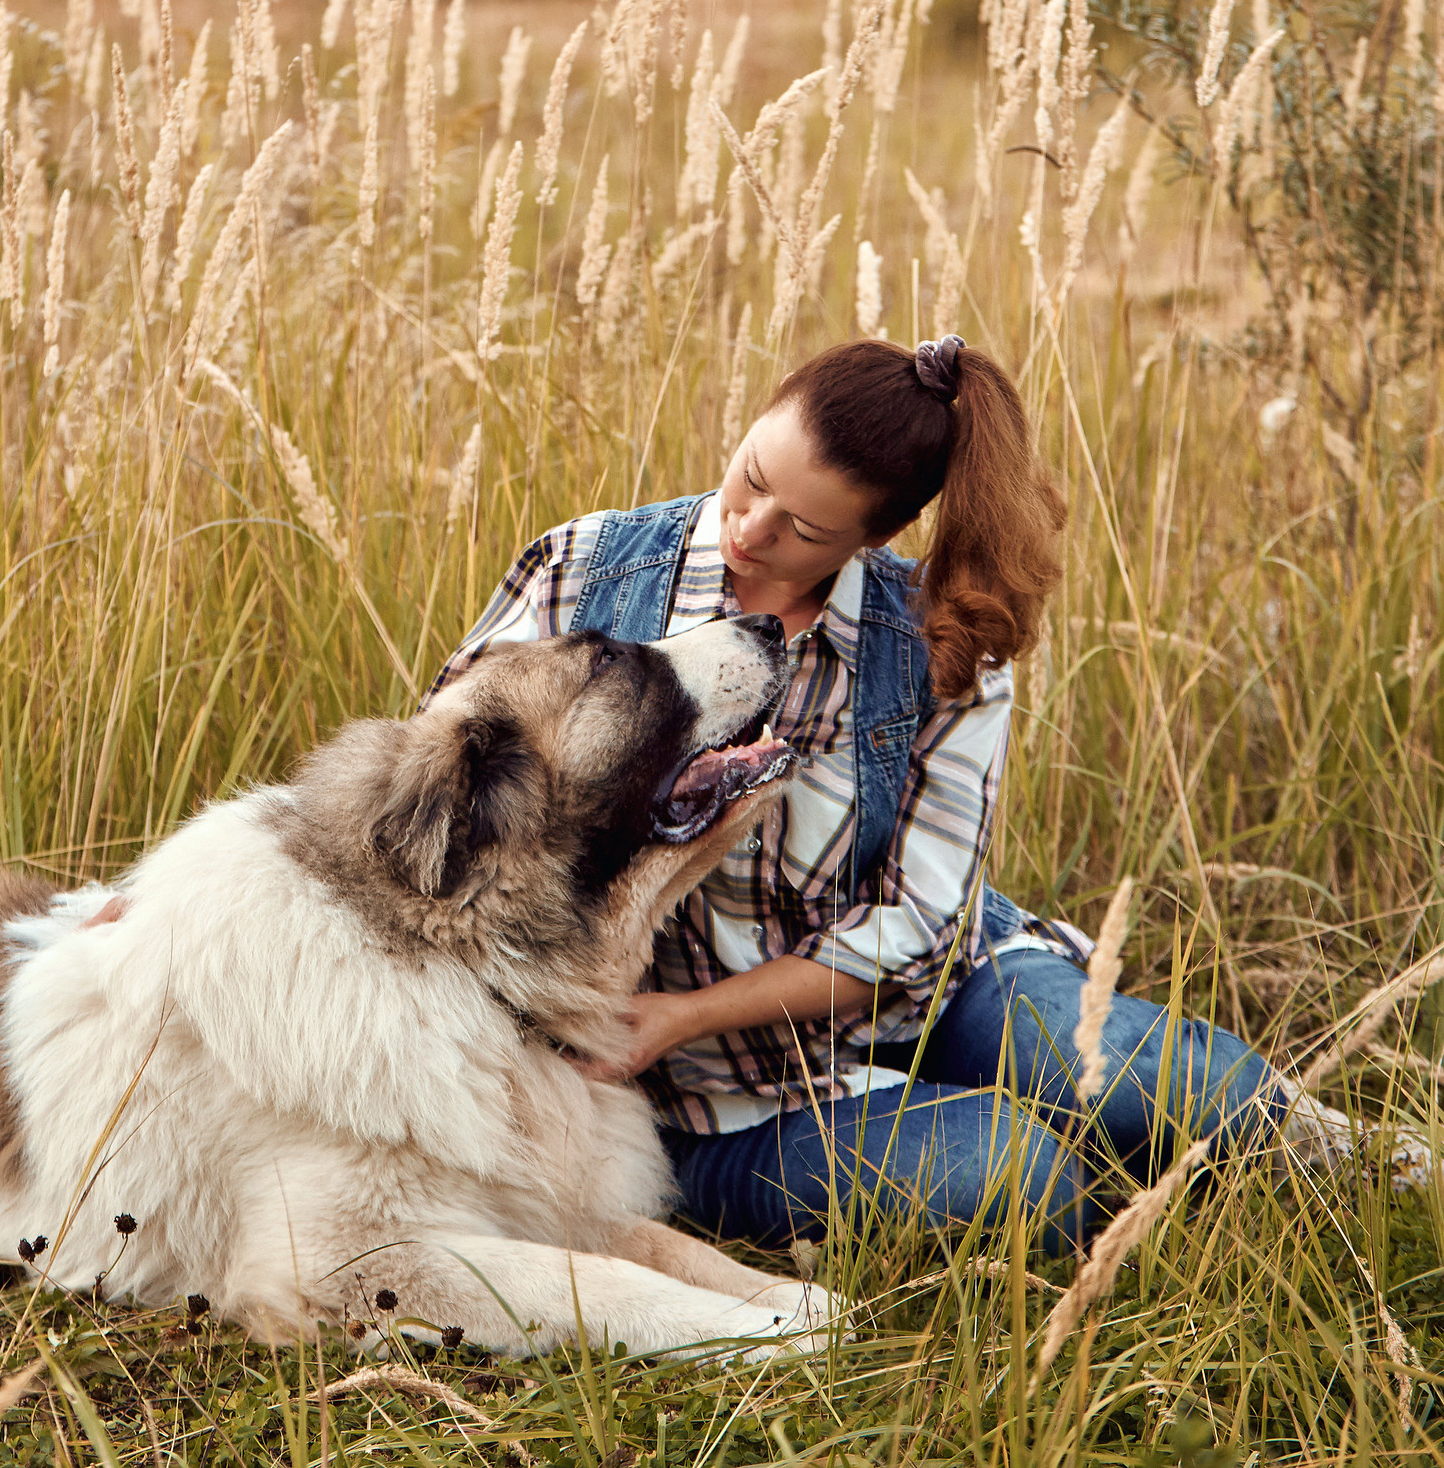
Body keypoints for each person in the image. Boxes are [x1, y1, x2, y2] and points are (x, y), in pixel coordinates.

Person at [426, 335, 1285, 1252]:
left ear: (875, 539)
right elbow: (457, 790)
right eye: (751, 476)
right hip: (715, 1093)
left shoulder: (938, 638)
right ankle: (1036, 1150)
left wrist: (684, 1013)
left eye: (803, 529)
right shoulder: (589, 569)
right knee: (1020, 1177)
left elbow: (918, 920)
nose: (751, 529)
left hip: (926, 989)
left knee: (1180, 1093)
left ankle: (1360, 1152)